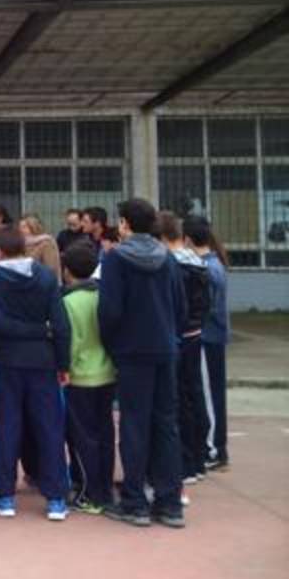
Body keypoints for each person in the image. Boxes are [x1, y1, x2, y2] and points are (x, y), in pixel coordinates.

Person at [98, 198, 187, 529]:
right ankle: (169, 503)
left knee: (134, 424)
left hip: (132, 351)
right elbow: (180, 306)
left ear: (124, 224)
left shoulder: (116, 259)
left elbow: (109, 311)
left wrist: (113, 345)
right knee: (166, 424)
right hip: (164, 348)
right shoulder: (167, 257)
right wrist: (168, 335)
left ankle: (134, 502)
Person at [0, 226, 71, 521]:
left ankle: (4, 495)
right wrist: (63, 363)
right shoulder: (45, 277)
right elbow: (60, 324)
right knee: (49, 428)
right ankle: (56, 497)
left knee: (7, 427)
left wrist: (29, 332)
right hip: (43, 361)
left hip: (8, 362)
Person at [154, 212, 211, 487]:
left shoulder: (173, 265)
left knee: (179, 401)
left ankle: (186, 463)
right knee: (193, 395)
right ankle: (198, 459)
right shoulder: (198, 262)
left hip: (179, 336)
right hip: (195, 333)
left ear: (163, 238)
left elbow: (174, 304)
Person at [60, 243, 116, 515]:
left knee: (82, 437)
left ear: (67, 271)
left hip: (80, 376)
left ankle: (89, 492)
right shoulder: (103, 294)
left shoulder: (68, 302)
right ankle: (105, 489)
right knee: (105, 432)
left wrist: (64, 368)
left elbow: (70, 342)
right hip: (107, 372)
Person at [184, 216, 231, 471]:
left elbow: (208, 308)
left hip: (208, 337)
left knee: (211, 395)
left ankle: (215, 448)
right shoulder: (211, 264)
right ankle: (214, 447)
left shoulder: (208, 268)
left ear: (189, 240)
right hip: (210, 336)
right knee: (210, 393)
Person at [20, 214, 62, 281]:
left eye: (24, 227)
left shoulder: (46, 243)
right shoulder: (21, 244)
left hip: (43, 283)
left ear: (33, 227)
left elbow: (51, 267)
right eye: (20, 227)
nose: (21, 230)